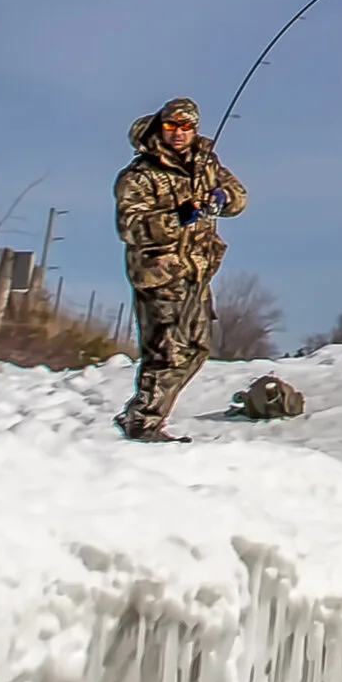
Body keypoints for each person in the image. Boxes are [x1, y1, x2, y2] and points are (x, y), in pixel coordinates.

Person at [113, 96, 246, 440]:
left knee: (196, 350)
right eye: (172, 126)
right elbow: (130, 227)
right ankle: (144, 424)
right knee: (166, 352)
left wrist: (219, 199)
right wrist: (178, 217)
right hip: (159, 274)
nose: (178, 133)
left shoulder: (207, 164)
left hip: (197, 272)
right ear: (161, 126)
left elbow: (238, 196)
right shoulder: (139, 174)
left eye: (186, 127)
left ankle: (138, 414)